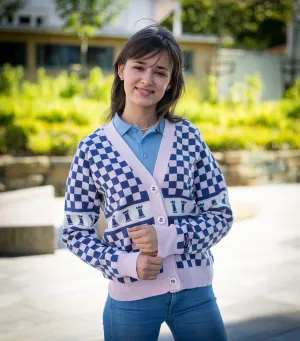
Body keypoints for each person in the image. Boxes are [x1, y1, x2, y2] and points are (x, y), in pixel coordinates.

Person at [62, 24, 233, 341]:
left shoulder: (188, 138)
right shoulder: (92, 149)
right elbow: (74, 232)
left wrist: (168, 239)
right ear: (121, 70)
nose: (147, 80)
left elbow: (221, 215)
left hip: (196, 297)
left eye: (160, 72)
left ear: (170, 83)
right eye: (139, 67)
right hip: (130, 302)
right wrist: (125, 263)